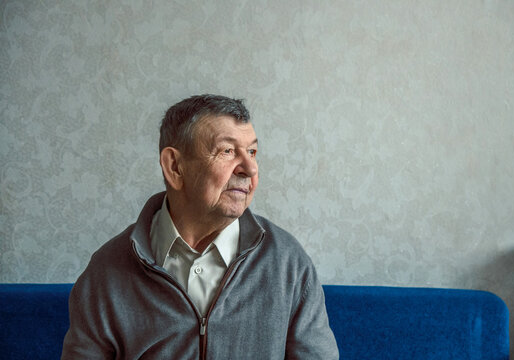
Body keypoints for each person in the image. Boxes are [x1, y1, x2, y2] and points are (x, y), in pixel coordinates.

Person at [61, 94, 339, 359]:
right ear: (175, 167)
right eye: (228, 151)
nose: (250, 169)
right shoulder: (107, 271)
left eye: (252, 151)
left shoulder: (288, 263)